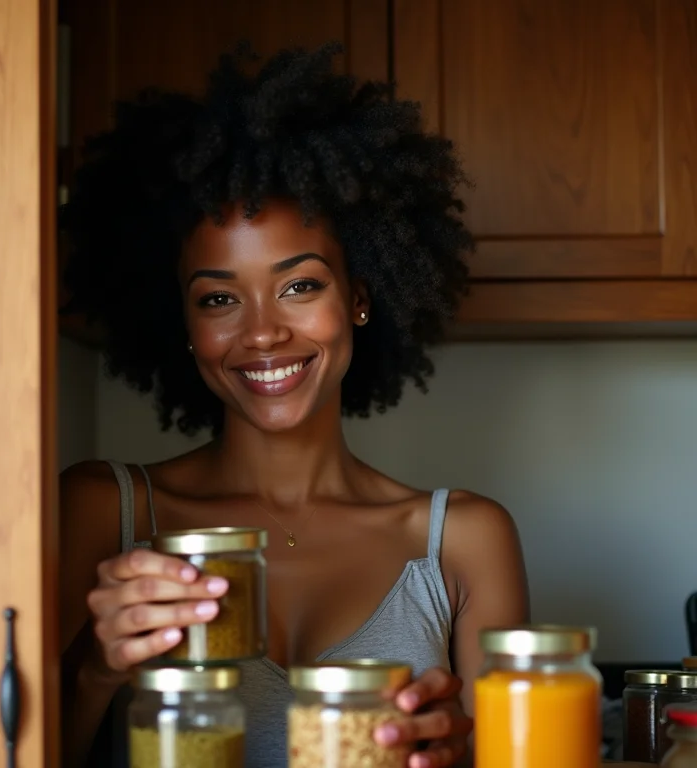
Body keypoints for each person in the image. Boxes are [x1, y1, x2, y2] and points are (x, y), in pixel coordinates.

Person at [58, 41, 530, 768]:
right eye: (218, 298)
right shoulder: (104, 511)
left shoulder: (464, 542)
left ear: (360, 298)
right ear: (183, 326)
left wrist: (458, 756)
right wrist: (96, 666)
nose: (262, 331)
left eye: (300, 285)